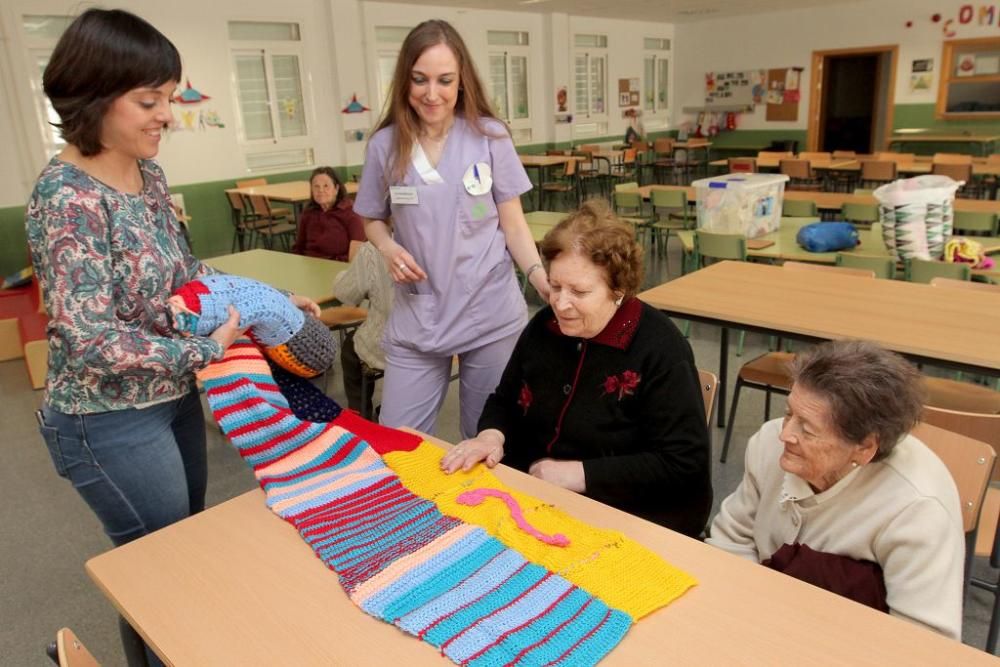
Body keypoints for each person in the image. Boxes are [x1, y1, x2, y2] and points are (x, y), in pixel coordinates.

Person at [25, 9, 318, 665]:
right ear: (96, 96)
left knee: (171, 560)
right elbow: (92, 342)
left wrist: (269, 301)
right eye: (149, 100)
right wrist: (207, 350)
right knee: (170, 568)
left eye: (169, 98)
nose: (167, 115)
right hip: (107, 419)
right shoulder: (67, 196)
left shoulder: (148, 176)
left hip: (170, 397)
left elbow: (187, 277)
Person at [441, 201, 712, 537]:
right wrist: (491, 436)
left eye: (579, 291)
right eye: (555, 286)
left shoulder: (660, 348)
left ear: (618, 289)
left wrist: (579, 474)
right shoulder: (544, 327)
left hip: (629, 515)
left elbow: (684, 463)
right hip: (538, 497)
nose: (560, 303)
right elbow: (505, 399)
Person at [353, 19, 549, 439]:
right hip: (421, 312)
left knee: (489, 439)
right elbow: (372, 218)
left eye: (445, 80)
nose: (431, 93)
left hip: (489, 309)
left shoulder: (489, 137)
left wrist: (537, 276)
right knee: (400, 445)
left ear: (462, 81)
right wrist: (387, 248)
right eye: (419, 79)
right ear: (405, 79)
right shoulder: (385, 146)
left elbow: (512, 223)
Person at [706, 340, 964, 639]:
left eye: (807, 428)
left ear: (865, 447)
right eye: (789, 413)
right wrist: (749, 619)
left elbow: (923, 642)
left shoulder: (916, 509)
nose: (784, 433)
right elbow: (732, 540)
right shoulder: (769, 445)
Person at [333, 239, 393, 416]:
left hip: (390, 347)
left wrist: (343, 276)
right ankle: (393, 404)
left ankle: (360, 412)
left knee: (351, 347)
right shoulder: (449, 242)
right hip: (438, 347)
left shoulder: (373, 249)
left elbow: (346, 294)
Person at [292, 166, 366, 260]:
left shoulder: (351, 213)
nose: (321, 190)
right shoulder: (308, 213)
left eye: (326, 186)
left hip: (338, 266)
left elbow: (357, 253)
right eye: (316, 186)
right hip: (310, 265)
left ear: (336, 189)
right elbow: (299, 247)